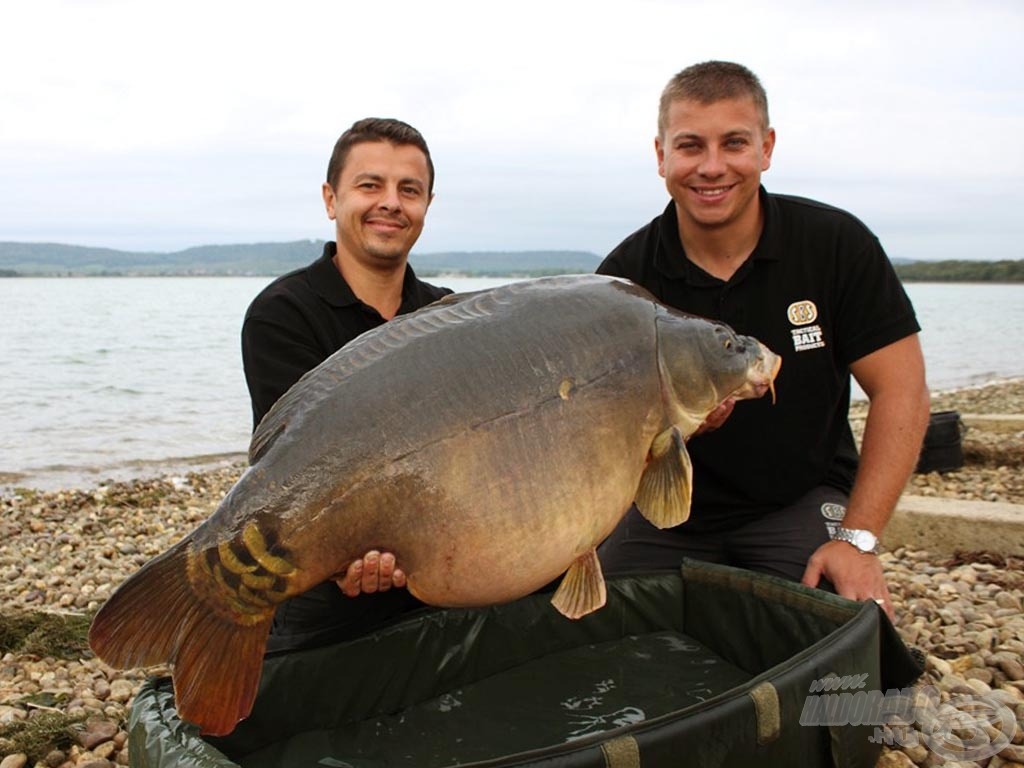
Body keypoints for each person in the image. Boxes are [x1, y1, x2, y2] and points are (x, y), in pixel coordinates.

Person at [596, 61, 930, 620]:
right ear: (660, 156)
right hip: (666, 512)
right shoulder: (624, 280)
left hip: (799, 499)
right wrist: (674, 426)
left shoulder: (835, 245)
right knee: (587, 638)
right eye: (689, 146)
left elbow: (904, 393)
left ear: (766, 147)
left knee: (843, 649)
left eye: (733, 143)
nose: (711, 167)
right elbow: (598, 428)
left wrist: (859, 539)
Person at [241, 117, 452, 652]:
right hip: (322, 585)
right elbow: (295, 471)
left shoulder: (451, 317)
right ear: (332, 199)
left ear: (427, 206)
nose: (391, 203)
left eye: (410, 190)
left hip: (445, 570)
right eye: (369, 185)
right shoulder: (281, 314)